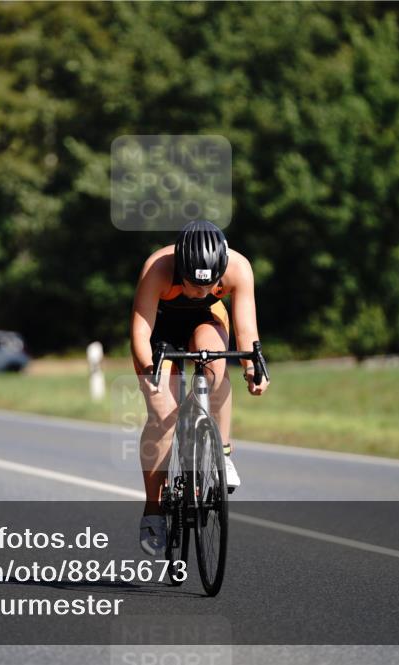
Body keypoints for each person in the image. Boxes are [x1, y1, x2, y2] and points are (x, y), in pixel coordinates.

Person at [130, 220, 269, 556]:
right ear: (180, 268)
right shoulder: (158, 268)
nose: (201, 291)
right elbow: (140, 333)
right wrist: (154, 376)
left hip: (206, 320)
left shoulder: (239, 268)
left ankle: (220, 452)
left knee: (217, 366)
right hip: (160, 330)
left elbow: (246, 328)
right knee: (163, 413)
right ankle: (153, 509)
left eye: (210, 285)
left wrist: (253, 367)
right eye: (193, 284)